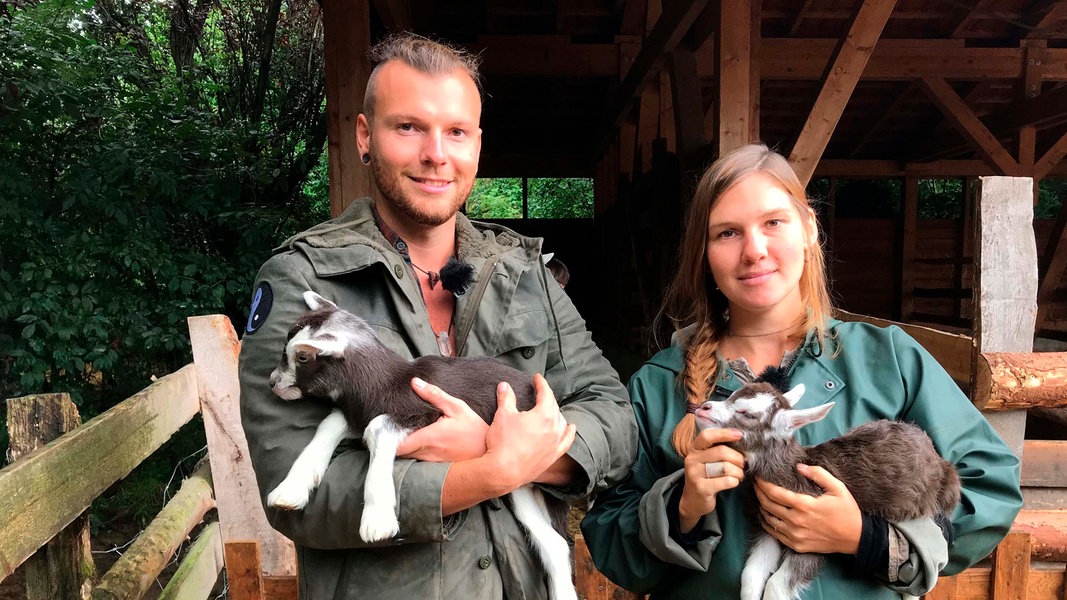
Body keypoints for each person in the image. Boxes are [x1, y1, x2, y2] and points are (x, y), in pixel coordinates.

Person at [238, 33, 636, 600]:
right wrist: (486, 470)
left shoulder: (526, 273)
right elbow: (295, 489)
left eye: (456, 131)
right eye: (408, 127)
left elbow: (614, 417)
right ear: (364, 137)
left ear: (477, 144)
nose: (436, 154)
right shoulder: (303, 280)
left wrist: (521, 453)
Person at [580, 144, 1021, 599]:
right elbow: (611, 537)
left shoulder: (890, 360)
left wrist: (866, 538)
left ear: (809, 228)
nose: (754, 249)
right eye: (728, 233)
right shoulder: (657, 385)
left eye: (774, 222)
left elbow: (988, 490)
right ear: (705, 253)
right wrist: (682, 507)